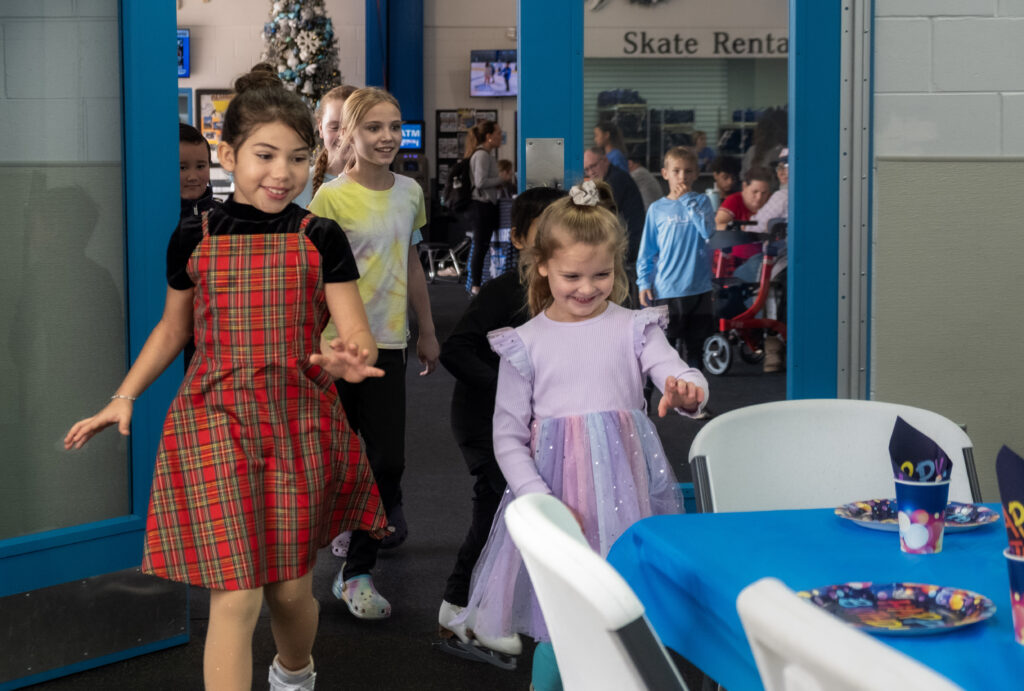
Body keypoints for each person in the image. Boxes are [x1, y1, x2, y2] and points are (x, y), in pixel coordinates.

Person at [64, 67, 388, 691]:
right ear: (230, 155)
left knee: (289, 591)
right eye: (265, 155)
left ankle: (295, 673)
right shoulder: (195, 234)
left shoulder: (320, 236)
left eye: (298, 157)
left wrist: (349, 354)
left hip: (298, 422)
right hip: (213, 421)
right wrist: (123, 396)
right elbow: (172, 330)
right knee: (236, 594)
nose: (282, 172)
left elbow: (355, 331)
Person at [448, 182, 708, 687]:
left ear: (617, 267)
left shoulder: (635, 328)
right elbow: (507, 437)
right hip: (559, 504)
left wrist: (688, 391)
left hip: (628, 499)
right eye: (572, 275)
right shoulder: (524, 343)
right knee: (563, 617)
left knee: (625, 605)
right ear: (542, 265)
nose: (587, 288)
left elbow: (679, 373)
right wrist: (539, 502)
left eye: (601, 275)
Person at [308, 87, 441, 620]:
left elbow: (410, 263)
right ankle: (300, 566)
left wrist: (426, 329)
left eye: (394, 126)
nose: (387, 137)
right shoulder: (328, 198)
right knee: (332, 461)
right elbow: (311, 278)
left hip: (389, 345)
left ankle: (357, 571)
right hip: (336, 349)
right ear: (349, 134)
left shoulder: (410, 192)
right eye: (373, 128)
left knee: (388, 460)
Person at [436, 187, 567, 663]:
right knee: (498, 509)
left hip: (530, 426)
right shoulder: (503, 290)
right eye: (544, 231)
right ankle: (460, 608)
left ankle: (491, 606)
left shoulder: (565, 290)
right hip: (482, 421)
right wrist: (511, 390)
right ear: (517, 239)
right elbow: (456, 351)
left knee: (521, 510)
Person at [637, 147, 716, 369]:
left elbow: (707, 231)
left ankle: (695, 390)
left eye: (688, 171)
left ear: (696, 174)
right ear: (665, 174)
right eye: (676, 171)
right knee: (665, 349)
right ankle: (663, 390)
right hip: (667, 290)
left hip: (699, 289)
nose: (682, 176)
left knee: (695, 350)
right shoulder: (657, 209)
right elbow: (647, 250)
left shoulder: (702, 202)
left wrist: (688, 200)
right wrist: (643, 283)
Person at [178, 123, 219, 372]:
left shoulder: (222, 218)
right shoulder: (157, 218)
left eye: (201, 166)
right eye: (182, 168)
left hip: (214, 334)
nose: (193, 176)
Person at [294, 84, 358, 208]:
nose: (343, 136)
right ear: (320, 128)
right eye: (334, 127)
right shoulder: (298, 185)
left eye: (352, 126)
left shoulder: (382, 184)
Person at [582, 146, 645, 265]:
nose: (591, 172)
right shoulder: (610, 178)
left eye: (594, 166)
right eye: (587, 169)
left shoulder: (616, 180)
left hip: (629, 248)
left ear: (605, 161)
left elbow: (601, 215)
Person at [465, 120, 504, 295]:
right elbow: (480, 182)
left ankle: (478, 284)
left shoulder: (487, 155)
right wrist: (502, 179)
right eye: (498, 133)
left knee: (483, 245)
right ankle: (475, 285)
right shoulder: (482, 155)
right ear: (489, 136)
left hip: (486, 206)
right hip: (481, 207)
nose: (500, 137)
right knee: (480, 246)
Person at [715, 166, 773, 268]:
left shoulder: (772, 202)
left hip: (763, 260)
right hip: (733, 260)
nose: (759, 198)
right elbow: (718, 225)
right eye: (755, 192)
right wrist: (737, 229)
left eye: (764, 193)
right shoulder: (734, 201)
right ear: (744, 186)